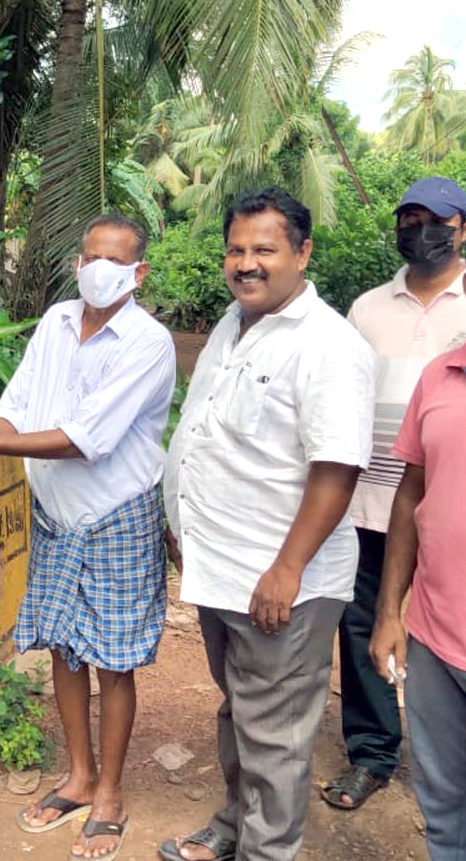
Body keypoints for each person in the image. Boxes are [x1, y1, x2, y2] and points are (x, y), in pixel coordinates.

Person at [0, 214, 175, 861]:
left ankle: (110, 793)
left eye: (115, 260)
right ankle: (78, 775)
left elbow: (85, 439)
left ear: (138, 273)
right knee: (65, 650)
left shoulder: (148, 343)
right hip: (55, 514)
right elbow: (17, 406)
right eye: (91, 256)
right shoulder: (56, 322)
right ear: (77, 263)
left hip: (115, 514)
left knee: (113, 660)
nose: (100, 269)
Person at [158, 188, 374, 861]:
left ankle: (266, 849)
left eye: (264, 250)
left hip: (281, 580)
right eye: (236, 249)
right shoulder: (234, 322)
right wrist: (183, 524)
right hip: (221, 567)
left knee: (275, 732)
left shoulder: (329, 345)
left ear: (302, 254)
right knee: (241, 708)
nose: (246, 263)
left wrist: (288, 568)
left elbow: (336, 470)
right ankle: (235, 825)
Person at [325, 176, 466, 811]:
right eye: (408, 219)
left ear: (461, 229)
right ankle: (374, 752)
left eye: (434, 220)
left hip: (446, 506)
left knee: (444, 626)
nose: (419, 230)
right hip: (370, 498)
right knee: (364, 622)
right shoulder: (367, 308)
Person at [369, 340, 466, 861]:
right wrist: (390, 613)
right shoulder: (442, 373)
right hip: (434, 637)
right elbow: (412, 491)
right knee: (443, 805)